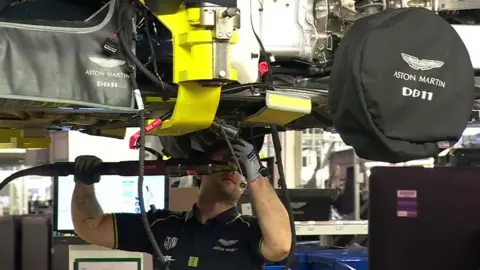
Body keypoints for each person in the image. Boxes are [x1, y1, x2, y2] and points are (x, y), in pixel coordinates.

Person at [71, 139, 292, 270]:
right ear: (200, 173)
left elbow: (281, 246)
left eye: (242, 167)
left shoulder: (250, 230)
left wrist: (257, 175)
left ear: (246, 183)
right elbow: (92, 227)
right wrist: (84, 183)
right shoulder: (163, 225)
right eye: (225, 161)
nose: (234, 170)